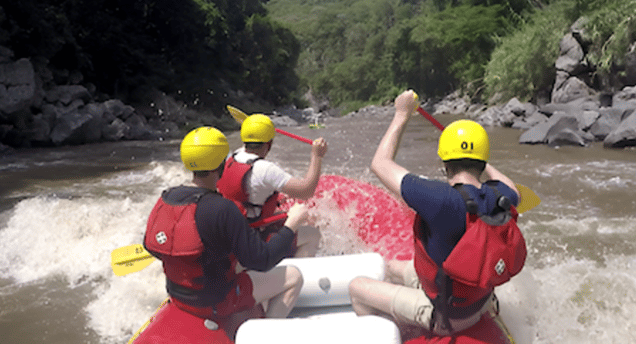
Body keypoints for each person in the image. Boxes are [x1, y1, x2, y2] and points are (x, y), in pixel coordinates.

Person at [348, 90, 527, 337]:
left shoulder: (438, 198)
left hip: (446, 317)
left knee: (357, 288)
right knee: (392, 267)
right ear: (483, 163)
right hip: (479, 302)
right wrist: (480, 159)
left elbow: (380, 164)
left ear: (445, 161)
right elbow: (511, 185)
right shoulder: (502, 197)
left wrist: (402, 113)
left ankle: (395, 334)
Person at [144, 126, 308, 337]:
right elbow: (262, 260)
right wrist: (291, 224)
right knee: (294, 277)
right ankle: (265, 336)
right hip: (217, 301)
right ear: (222, 164)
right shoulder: (223, 209)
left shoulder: (167, 197)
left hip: (178, 296)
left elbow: (152, 247)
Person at [218, 113, 327, 258]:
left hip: (235, 231)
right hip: (253, 238)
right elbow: (306, 190)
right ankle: (294, 272)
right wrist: (317, 156)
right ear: (269, 144)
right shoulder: (264, 169)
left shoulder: (232, 157)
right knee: (313, 234)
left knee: (283, 214)